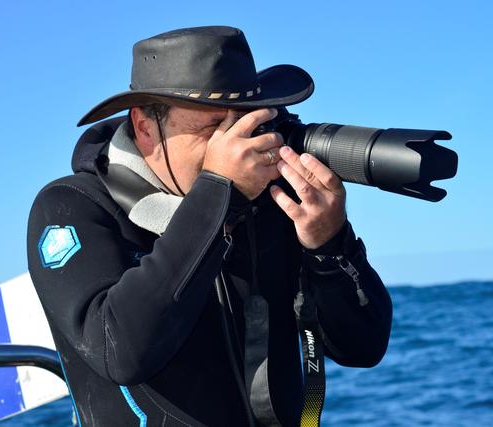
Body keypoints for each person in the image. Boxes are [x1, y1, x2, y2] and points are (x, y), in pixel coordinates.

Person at [27, 26, 392, 427]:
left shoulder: (271, 204)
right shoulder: (70, 208)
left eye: (246, 128)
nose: (235, 149)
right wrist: (219, 196)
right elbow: (121, 351)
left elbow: (364, 348)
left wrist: (328, 244)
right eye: (213, 130)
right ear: (145, 126)